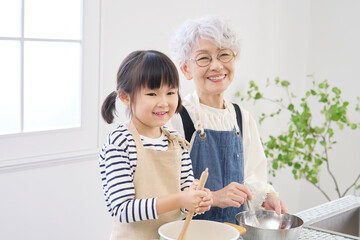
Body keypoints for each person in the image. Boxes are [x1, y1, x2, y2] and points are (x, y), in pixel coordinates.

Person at [168, 15, 288, 224]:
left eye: (224, 55)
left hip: (234, 232)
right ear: (186, 69)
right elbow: (167, 191)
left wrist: (266, 197)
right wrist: (213, 197)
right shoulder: (177, 118)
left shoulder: (242, 118)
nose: (216, 66)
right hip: (190, 234)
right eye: (204, 58)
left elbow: (253, 176)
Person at [99, 50, 213, 240]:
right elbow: (123, 210)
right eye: (152, 93)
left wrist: (196, 200)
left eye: (170, 92)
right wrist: (180, 199)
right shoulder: (120, 142)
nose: (163, 102)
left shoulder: (176, 142)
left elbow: (185, 202)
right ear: (126, 97)